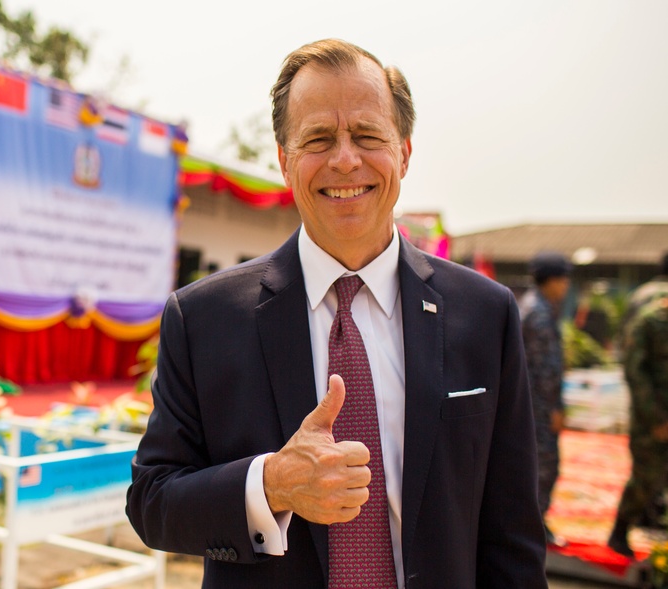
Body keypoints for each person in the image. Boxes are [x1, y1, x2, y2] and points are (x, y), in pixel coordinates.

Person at [126, 39, 547, 588]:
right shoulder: (204, 318)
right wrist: (271, 483)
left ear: (404, 152)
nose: (345, 159)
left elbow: (512, 533)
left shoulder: (485, 315)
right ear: (284, 160)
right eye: (318, 139)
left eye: (368, 136)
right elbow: (152, 501)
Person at [607, 294, 668, 558]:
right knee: (646, 476)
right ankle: (619, 532)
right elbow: (635, 372)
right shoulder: (648, 322)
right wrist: (656, 419)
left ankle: (652, 517)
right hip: (652, 419)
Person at [518, 251, 572, 546]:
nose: (565, 286)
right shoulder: (537, 313)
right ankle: (534, 527)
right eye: (562, 279)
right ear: (550, 280)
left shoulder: (535, 307)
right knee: (544, 467)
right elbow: (544, 369)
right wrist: (555, 407)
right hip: (537, 407)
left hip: (534, 404)